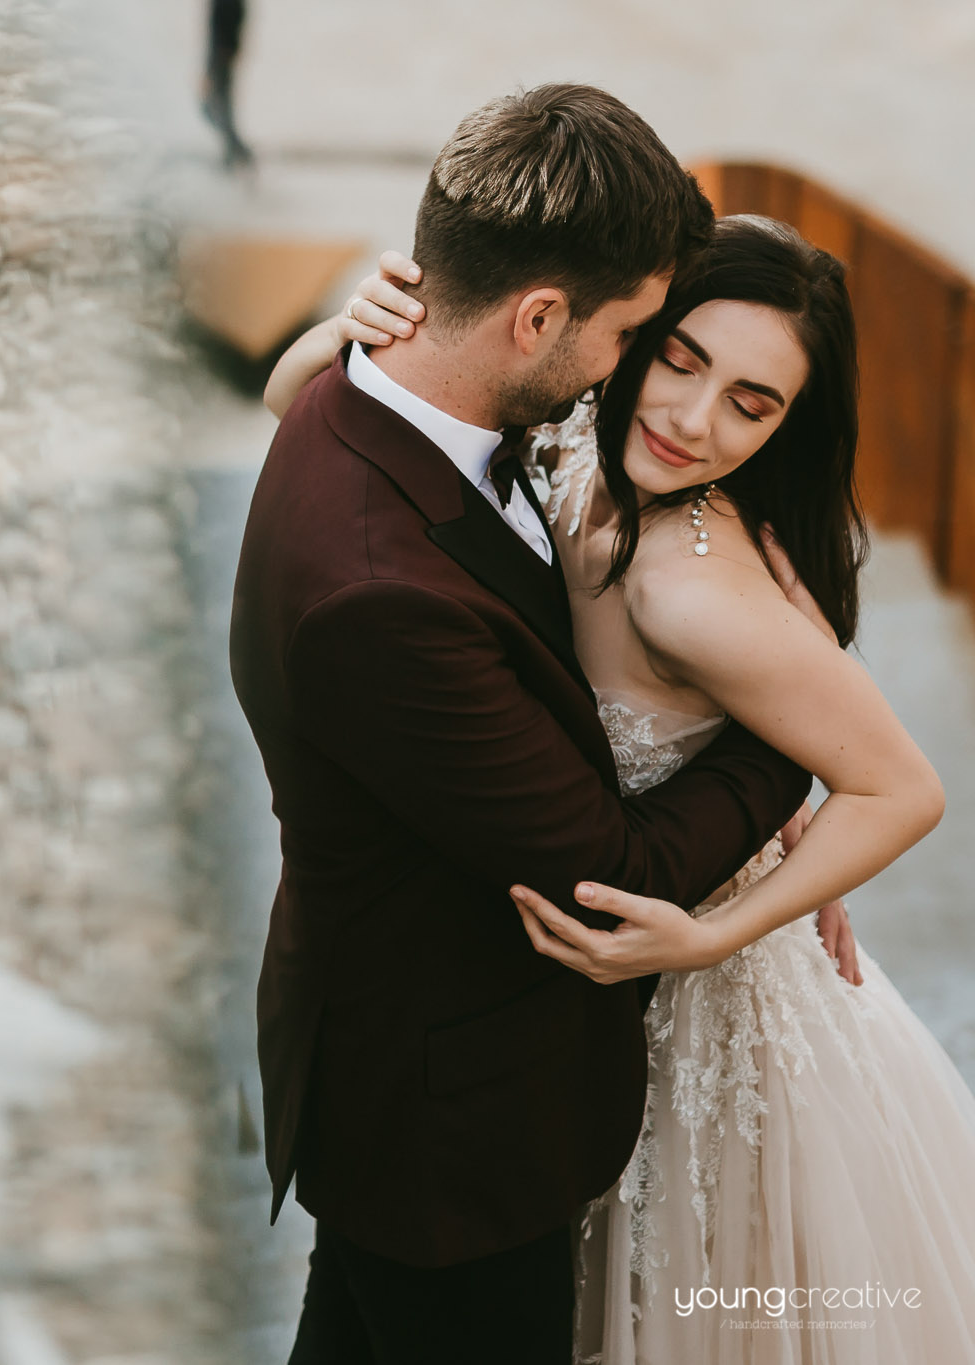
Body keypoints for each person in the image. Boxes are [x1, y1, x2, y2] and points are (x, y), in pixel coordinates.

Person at [272, 217, 975, 1360]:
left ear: (789, 424)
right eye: (681, 360)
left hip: (688, 997)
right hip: (565, 991)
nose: (690, 422)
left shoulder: (692, 588)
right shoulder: (570, 443)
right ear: (631, 333)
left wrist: (715, 936)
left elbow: (900, 788)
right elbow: (289, 406)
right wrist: (344, 328)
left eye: (751, 405)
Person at [230, 84, 815, 1364]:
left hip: (402, 1075)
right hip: (447, 1127)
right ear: (536, 316)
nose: (628, 376)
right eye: (629, 338)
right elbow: (609, 875)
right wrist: (785, 746)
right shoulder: (381, 595)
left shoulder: (363, 388)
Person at [203, 0, 253, 168]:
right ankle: (234, 152)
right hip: (222, 58)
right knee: (215, 108)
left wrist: (213, 66)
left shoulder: (227, 4)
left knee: (214, 107)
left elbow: (221, 34)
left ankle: (235, 153)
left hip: (221, 59)